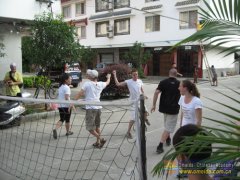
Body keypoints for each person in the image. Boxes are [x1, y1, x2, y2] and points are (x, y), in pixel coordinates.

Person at [75, 69, 111, 148]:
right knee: (97, 126)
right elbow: (107, 82)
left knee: (90, 128)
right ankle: (98, 143)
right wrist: (109, 77)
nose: (87, 75)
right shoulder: (100, 84)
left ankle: (101, 139)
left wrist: (73, 102)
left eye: (89, 74)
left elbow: (80, 93)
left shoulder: (87, 84)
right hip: (98, 108)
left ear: (91, 76)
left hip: (91, 109)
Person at [151, 68, 181, 154]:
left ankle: (167, 138)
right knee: (168, 127)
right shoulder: (179, 84)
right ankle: (160, 145)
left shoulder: (163, 82)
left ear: (169, 73)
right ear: (176, 74)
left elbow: (156, 92)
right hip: (174, 109)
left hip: (164, 108)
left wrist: (154, 104)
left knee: (167, 125)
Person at [113, 68, 146, 139]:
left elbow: (142, 90)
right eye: (134, 75)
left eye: (136, 74)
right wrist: (115, 75)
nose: (135, 76)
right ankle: (128, 132)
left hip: (140, 101)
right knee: (133, 118)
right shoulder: (128, 82)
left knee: (145, 112)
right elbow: (118, 84)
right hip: (133, 102)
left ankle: (143, 122)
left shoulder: (140, 81)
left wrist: (143, 95)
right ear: (131, 75)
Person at [53, 73, 74, 139]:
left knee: (62, 119)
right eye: (70, 79)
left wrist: (69, 87)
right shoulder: (67, 88)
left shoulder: (61, 87)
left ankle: (55, 129)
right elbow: (66, 97)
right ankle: (68, 132)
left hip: (60, 106)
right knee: (67, 120)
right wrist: (71, 105)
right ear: (66, 80)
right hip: (66, 106)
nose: (71, 79)